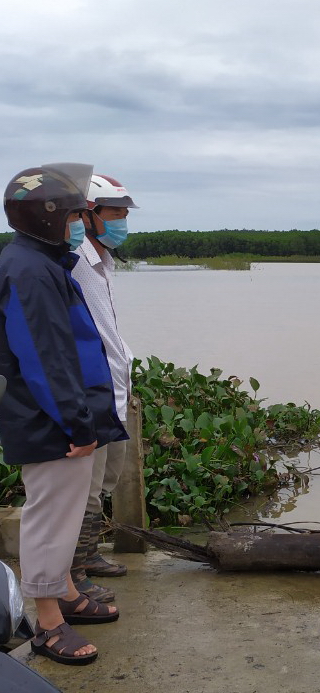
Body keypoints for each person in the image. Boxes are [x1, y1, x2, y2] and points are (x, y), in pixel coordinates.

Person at [0, 163, 127, 665]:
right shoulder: (30, 269)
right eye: (76, 213)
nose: (81, 221)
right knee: (50, 519)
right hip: (52, 421)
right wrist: (77, 423)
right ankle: (49, 624)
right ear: (49, 216)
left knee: (66, 513)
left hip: (64, 415)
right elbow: (44, 356)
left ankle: (68, 593)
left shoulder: (44, 261)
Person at [68, 174, 138, 604]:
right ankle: (73, 575)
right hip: (91, 396)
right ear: (88, 215)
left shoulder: (103, 262)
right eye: (116, 213)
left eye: (126, 214)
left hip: (114, 392)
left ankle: (89, 555)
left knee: (107, 480)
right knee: (85, 489)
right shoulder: (73, 262)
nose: (124, 222)